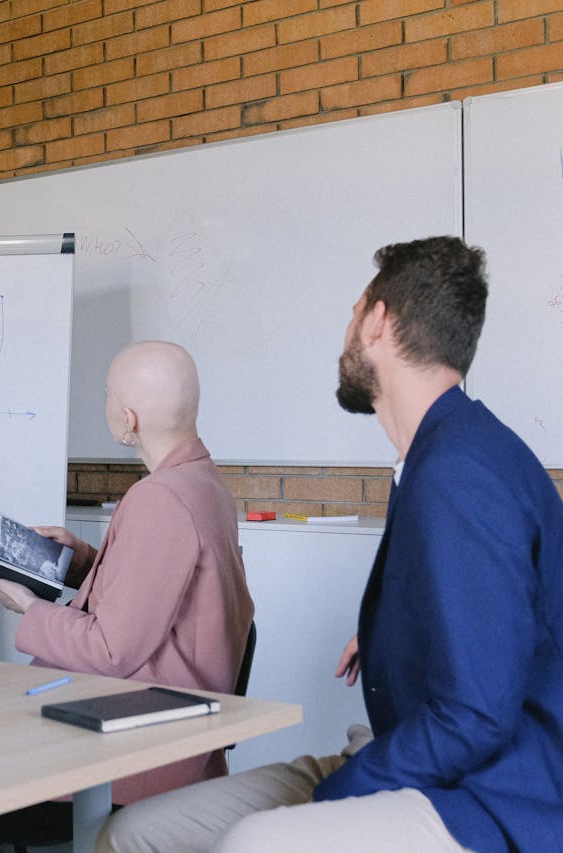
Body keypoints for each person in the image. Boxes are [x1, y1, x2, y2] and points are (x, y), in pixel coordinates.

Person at [99, 236, 563, 853]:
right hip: (418, 756)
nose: (344, 334)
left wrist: (339, 797)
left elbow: (476, 718)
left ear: (378, 321)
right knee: (136, 833)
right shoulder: (440, 454)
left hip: (490, 798)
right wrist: (391, 637)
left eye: (352, 314)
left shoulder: (460, 472)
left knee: (257, 843)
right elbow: (494, 620)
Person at [0, 340, 255, 805]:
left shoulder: (160, 498)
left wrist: (29, 606)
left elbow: (110, 651)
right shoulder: (204, 482)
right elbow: (164, 589)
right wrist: (82, 560)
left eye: (107, 394)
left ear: (130, 419)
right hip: (177, 725)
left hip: (138, 742)